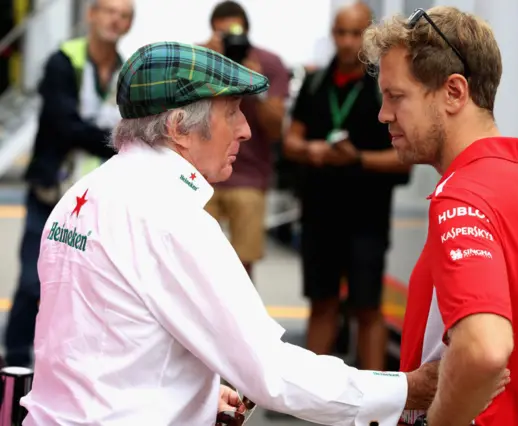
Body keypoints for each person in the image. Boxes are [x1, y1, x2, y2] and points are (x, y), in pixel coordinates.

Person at [20, 41, 453, 426]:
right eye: (231, 112)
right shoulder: (173, 218)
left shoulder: (83, 195)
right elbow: (272, 372)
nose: (246, 129)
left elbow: (105, 344)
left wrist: (197, 396)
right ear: (177, 127)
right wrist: (407, 389)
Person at [360, 6, 518, 426]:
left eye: (396, 96)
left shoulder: (462, 198)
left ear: (454, 92)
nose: (384, 114)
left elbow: (484, 350)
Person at [4, 0, 133, 368]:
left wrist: (105, 137)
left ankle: (64, 367)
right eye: (109, 11)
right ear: (91, 14)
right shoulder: (63, 60)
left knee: (86, 289)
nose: (115, 20)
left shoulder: (125, 72)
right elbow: (64, 124)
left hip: (95, 203)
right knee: (33, 283)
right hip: (51, 193)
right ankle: (13, 366)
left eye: (124, 15)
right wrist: (115, 139)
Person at [284, 1, 411, 372]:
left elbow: (404, 155)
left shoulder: (383, 88)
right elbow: (291, 140)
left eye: (355, 33)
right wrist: (312, 150)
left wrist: (357, 159)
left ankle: (374, 399)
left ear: (368, 37)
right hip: (320, 214)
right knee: (321, 303)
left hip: (366, 217)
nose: (347, 41)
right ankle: (314, 397)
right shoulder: (315, 82)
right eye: (341, 32)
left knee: (367, 308)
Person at [201, 0, 290, 278]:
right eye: (223, 35)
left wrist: (254, 82)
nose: (231, 42)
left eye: (236, 35)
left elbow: (276, 130)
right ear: (213, 33)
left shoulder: (268, 64)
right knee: (197, 263)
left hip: (249, 176)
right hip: (201, 176)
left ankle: (237, 322)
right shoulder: (200, 58)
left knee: (242, 267)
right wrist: (211, 66)